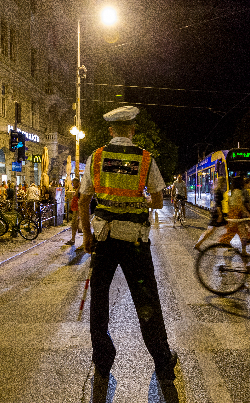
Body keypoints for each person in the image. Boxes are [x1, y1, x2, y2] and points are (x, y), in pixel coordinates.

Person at [78, 106, 179, 402]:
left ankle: (103, 360)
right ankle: (162, 361)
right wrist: (138, 200)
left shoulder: (96, 157)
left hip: (104, 239)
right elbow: (159, 201)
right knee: (147, 302)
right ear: (133, 129)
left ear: (111, 131)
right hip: (135, 241)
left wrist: (86, 235)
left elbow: (84, 200)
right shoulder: (145, 159)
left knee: (99, 300)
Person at [218, 176, 250, 256]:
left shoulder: (230, 192)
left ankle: (225, 243)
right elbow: (240, 205)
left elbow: (229, 203)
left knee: (232, 232)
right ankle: (243, 251)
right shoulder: (238, 192)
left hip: (232, 213)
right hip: (238, 214)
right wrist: (248, 214)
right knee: (243, 234)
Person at [194, 176, 228, 250]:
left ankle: (225, 243)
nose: (225, 184)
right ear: (221, 183)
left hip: (216, 211)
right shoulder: (218, 191)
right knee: (211, 230)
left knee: (212, 230)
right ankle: (223, 242)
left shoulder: (216, 190)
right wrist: (220, 215)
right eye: (224, 182)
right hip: (217, 212)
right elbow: (218, 204)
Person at [65, 178, 82, 246]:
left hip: (77, 209)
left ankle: (73, 239)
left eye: (74, 183)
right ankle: (73, 239)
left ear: (78, 183)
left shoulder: (80, 189)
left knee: (74, 224)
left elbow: (77, 196)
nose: (73, 185)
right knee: (75, 225)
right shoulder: (77, 189)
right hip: (75, 209)